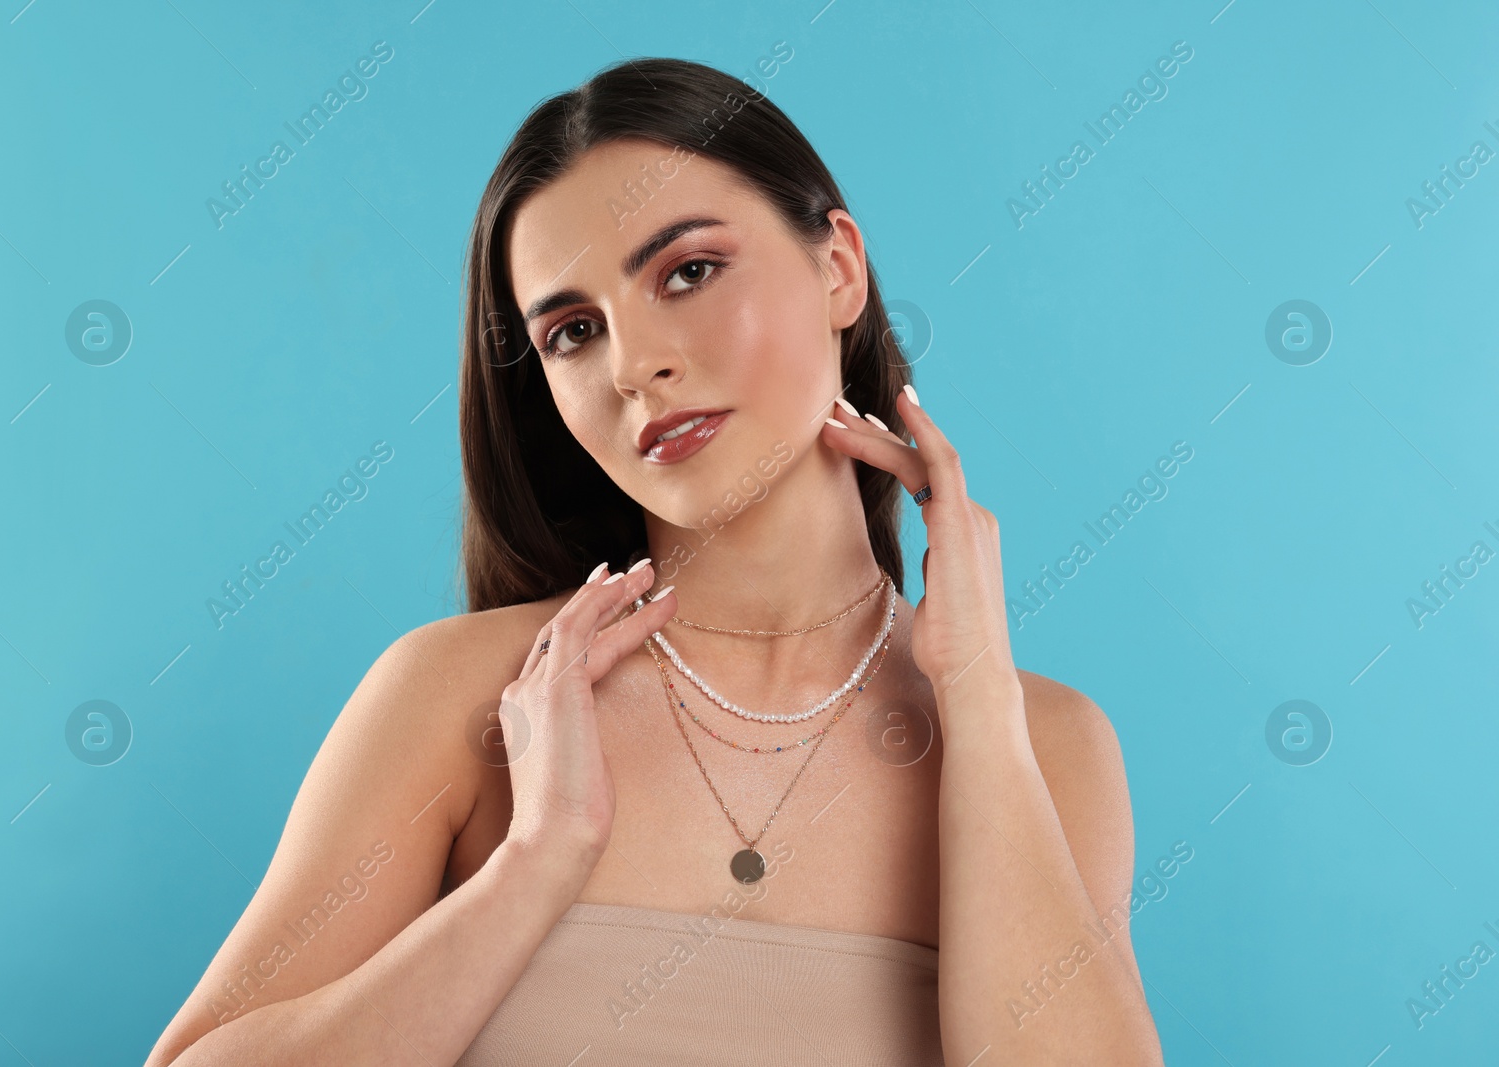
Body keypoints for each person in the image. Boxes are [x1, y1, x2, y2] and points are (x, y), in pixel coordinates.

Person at [146, 57, 1164, 1066]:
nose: (634, 365)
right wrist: (534, 865)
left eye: (687, 271)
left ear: (837, 267)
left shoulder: (1050, 746)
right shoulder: (467, 698)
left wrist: (978, 704)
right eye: (574, 330)